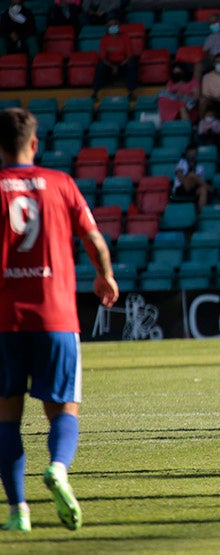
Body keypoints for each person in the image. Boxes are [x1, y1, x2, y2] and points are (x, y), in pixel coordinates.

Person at [0, 107, 119, 533]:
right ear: (34, 144)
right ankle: (58, 469)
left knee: (6, 417)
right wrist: (104, 275)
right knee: (63, 407)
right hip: (56, 315)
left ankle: (18, 513)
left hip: (4, 320)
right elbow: (93, 238)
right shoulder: (61, 183)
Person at [91, 18, 137, 101]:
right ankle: (95, 93)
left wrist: (120, 65)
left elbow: (130, 55)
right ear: (108, 28)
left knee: (132, 64)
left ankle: (131, 92)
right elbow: (102, 57)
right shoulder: (104, 39)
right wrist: (112, 66)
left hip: (123, 63)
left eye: (114, 25)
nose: (112, 27)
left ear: (118, 26)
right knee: (100, 66)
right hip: (110, 64)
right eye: (110, 26)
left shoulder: (125, 37)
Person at [173, 143, 211, 210]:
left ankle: (201, 214)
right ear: (187, 154)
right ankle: (213, 191)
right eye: (190, 154)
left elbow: (200, 183)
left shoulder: (200, 168)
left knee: (203, 190)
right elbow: (180, 177)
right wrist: (190, 181)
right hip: (180, 188)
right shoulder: (181, 163)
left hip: (193, 189)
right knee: (192, 175)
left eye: (194, 154)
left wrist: (193, 183)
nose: (192, 156)